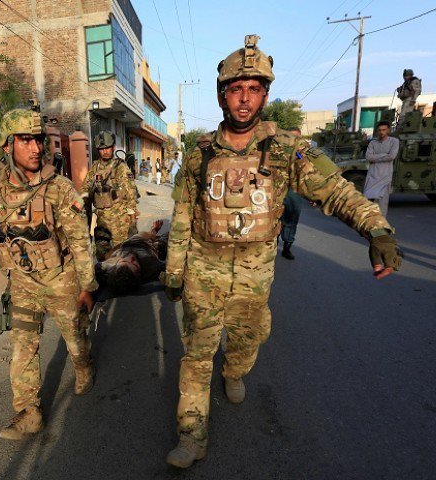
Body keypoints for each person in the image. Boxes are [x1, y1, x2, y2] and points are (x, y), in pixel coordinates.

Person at [160, 34, 403, 469]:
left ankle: (234, 370)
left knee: (248, 341)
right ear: (222, 95)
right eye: (236, 89)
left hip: (254, 280)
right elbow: (181, 213)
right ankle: (191, 437)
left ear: (265, 95)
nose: (244, 99)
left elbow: (336, 191)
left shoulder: (288, 149)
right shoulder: (199, 153)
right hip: (203, 273)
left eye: (254, 90)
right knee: (196, 354)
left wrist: (377, 229)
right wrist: (174, 270)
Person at [0, 108, 97, 440]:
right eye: (25, 140)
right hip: (23, 283)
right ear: (7, 145)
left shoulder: (59, 188)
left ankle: (84, 366)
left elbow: (80, 241)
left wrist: (88, 285)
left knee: (75, 340)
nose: (35, 148)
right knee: (22, 348)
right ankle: (29, 412)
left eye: (38, 140)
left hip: (61, 279)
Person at [80, 130, 138, 261]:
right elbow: (85, 189)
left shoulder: (120, 167)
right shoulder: (94, 168)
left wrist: (132, 220)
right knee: (101, 256)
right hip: (102, 222)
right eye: (101, 148)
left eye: (107, 147)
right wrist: (79, 204)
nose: (105, 151)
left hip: (120, 223)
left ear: (113, 147)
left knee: (121, 257)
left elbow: (131, 192)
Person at [95, 220, 167, 295]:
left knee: (101, 246)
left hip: (126, 245)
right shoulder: (151, 265)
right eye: (135, 265)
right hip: (146, 246)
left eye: (124, 261)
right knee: (166, 240)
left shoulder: (104, 268)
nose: (131, 259)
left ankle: (132, 222)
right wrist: (154, 230)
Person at [363, 121, 399, 217]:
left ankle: (381, 225)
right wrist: (384, 155)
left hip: (385, 176)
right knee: (367, 200)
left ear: (388, 130)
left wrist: (375, 157)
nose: (381, 132)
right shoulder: (373, 143)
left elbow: (391, 156)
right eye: (379, 130)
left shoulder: (394, 141)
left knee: (382, 202)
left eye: (384, 130)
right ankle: (369, 223)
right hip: (372, 175)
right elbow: (368, 157)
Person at [280, 127, 304, 260]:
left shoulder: (304, 154)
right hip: (278, 191)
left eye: (297, 137)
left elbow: (310, 177)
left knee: (292, 220)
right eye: (292, 136)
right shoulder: (278, 152)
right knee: (275, 219)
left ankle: (287, 248)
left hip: (295, 192)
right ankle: (272, 246)